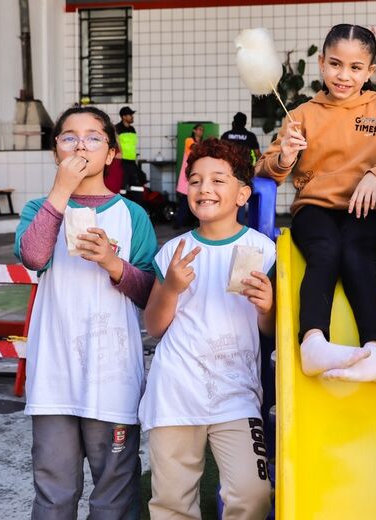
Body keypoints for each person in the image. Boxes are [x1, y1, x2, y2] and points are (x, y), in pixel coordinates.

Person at [256, 23, 376, 383]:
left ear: (370, 71)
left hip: (363, 211)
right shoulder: (301, 114)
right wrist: (284, 158)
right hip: (313, 209)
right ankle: (313, 342)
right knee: (326, 250)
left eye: (355, 67)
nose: (343, 76)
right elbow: (264, 171)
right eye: (335, 64)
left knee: (357, 255)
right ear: (320, 63)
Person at [14, 105, 157, 518]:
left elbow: (149, 292)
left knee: (114, 494)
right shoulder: (39, 209)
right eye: (69, 137)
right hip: (54, 380)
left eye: (94, 137)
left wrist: (114, 265)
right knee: (53, 493)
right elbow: (34, 255)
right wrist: (61, 192)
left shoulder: (132, 216)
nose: (81, 144)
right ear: (55, 151)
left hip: (112, 379)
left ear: (111, 153)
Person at [140, 138, 276, 519]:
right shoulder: (174, 251)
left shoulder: (265, 250)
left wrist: (267, 306)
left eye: (219, 180)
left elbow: (269, 331)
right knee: (171, 500)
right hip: (175, 392)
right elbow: (154, 326)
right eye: (196, 181)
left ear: (242, 193)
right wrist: (170, 288)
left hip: (237, 392)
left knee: (252, 494)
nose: (205, 189)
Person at [174, 123, 204, 229]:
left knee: (195, 198)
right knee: (184, 200)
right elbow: (194, 147)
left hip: (196, 173)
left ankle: (191, 222)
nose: (201, 131)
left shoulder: (201, 143)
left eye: (202, 130)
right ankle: (179, 222)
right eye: (199, 129)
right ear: (194, 130)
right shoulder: (189, 140)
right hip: (187, 174)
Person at [115, 106, 146, 198]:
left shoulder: (132, 129)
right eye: (130, 115)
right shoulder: (117, 129)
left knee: (137, 187)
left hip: (132, 162)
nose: (132, 116)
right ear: (123, 117)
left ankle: (136, 208)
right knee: (122, 188)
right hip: (121, 163)